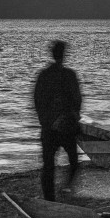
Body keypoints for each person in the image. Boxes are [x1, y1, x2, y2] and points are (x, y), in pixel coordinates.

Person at [32, 40, 83, 201]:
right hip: (57, 126)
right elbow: (77, 99)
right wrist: (53, 121)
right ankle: (57, 194)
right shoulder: (63, 75)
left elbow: (38, 101)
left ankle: (54, 195)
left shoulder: (49, 75)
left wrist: (48, 121)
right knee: (67, 163)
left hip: (58, 126)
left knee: (52, 166)